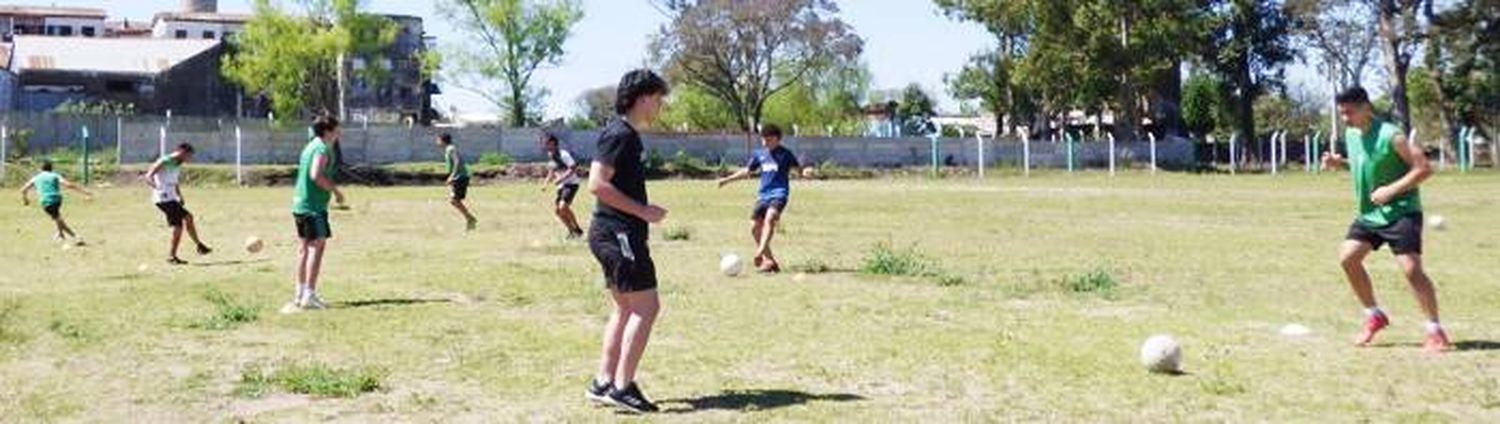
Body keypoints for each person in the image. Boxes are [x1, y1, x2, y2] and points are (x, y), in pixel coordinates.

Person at [1321, 86, 1450, 352]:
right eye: (1342, 113)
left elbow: (1424, 169)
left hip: (1402, 211)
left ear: (1366, 107)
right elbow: (1366, 162)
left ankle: (1435, 330)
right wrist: (1340, 163)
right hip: (1370, 214)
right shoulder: (1352, 134)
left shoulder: (1392, 135)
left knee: (1412, 271)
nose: (1345, 118)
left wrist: (1392, 190)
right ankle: (1374, 315)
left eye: (1350, 112)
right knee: (1348, 258)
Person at [584, 69, 670, 414]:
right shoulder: (620, 134)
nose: (660, 105)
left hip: (611, 231)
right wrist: (642, 210)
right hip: (618, 231)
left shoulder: (623, 134)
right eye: (658, 98)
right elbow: (597, 184)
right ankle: (622, 387)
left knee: (625, 308)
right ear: (643, 97)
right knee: (647, 307)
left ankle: (604, 382)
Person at [716, 124, 801, 273]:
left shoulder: (786, 154)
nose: (764, 142)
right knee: (755, 228)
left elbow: (798, 170)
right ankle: (770, 262)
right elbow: (747, 171)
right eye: (763, 139)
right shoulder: (759, 154)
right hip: (763, 195)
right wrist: (727, 179)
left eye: (768, 139)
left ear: (777, 139)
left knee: (770, 218)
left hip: (779, 193)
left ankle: (760, 251)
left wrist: (805, 172)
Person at [283, 116, 347, 314]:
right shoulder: (321, 149)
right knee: (315, 248)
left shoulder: (310, 146)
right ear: (327, 131)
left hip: (300, 204)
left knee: (304, 249)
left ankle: (301, 292)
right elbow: (315, 174)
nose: (339, 133)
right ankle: (309, 295)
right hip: (313, 207)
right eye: (337, 129)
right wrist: (335, 191)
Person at [144, 143, 213, 265]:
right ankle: (178, 253)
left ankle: (196, 247)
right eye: (188, 156)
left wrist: (179, 195)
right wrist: (156, 187)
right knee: (182, 222)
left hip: (171, 198)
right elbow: (149, 175)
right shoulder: (165, 160)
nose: (188, 159)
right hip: (163, 198)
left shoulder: (177, 163)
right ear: (182, 152)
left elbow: (174, 182)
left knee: (184, 221)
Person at [20, 161, 91, 244]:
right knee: (57, 217)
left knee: (58, 219)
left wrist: (25, 200)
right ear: (51, 169)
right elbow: (68, 185)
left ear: (40, 169)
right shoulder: (55, 175)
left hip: (46, 201)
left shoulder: (36, 178)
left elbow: (23, 190)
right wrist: (84, 192)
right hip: (57, 200)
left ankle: (75, 236)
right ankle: (60, 234)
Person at [543, 132, 585, 239]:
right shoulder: (551, 155)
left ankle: (577, 229)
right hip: (562, 186)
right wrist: (545, 183)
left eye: (547, 143)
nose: (545, 146)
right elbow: (552, 170)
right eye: (544, 143)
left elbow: (573, 167)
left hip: (571, 184)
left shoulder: (564, 154)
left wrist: (561, 178)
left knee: (563, 206)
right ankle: (572, 231)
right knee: (558, 211)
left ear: (553, 144)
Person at [436, 133, 478, 231]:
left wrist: (452, 176)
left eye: (438, 140)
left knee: (454, 200)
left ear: (442, 140)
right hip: (458, 177)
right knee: (454, 201)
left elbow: (457, 160)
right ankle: (470, 218)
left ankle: (470, 219)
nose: (437, 142)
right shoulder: (448, 149)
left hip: (460, 176)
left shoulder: (451, 149)